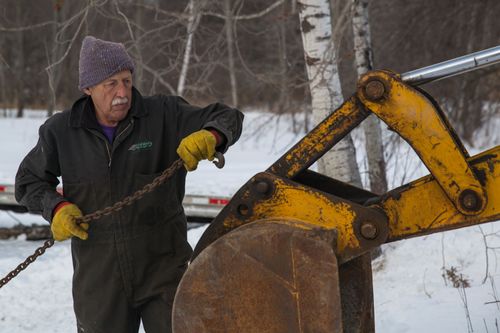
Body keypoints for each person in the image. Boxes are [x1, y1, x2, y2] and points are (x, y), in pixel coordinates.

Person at [15, 36, 243, 333]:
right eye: (111, 84)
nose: (123, 92)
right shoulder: (61, 131)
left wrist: (212, 136)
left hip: (164, 269)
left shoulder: (162, 114)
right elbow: (28, 181)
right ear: (88, 89)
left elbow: (228, 117)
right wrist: (55, 208)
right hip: (99, 279)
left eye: (126, 80)